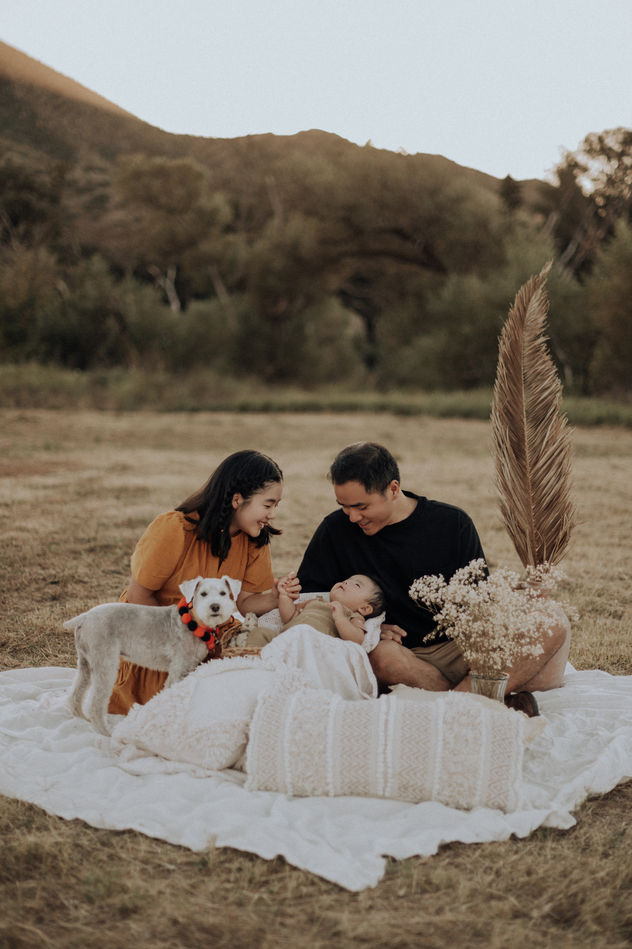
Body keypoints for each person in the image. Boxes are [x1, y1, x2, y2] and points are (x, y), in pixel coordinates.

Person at [297, 442, 571, 711]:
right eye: (344, 506)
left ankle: (456, 704)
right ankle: (480, 702)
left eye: (362, 507)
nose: (353, 517)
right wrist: (368, 629)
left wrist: (516, 599)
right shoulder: (335, 530)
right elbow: (309, 604)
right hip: (399, 657)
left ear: (393, 489)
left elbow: (481, 606)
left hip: (461, 649)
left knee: (550, 618)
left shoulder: (452, 524)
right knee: (381, 658)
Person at [108, 449, 299, 714]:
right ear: (237, 499)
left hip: (212, 635)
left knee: (253, 684)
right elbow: (139, 595)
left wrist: (277, 596)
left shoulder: (254, 539)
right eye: (268, 505)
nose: (273, 514)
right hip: (155, 634)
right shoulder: (175, 529)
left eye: (276, 505)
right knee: (181, 704)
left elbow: (243, 603)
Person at [278, 573, 385, 645]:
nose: (346, 582)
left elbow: (357, 639)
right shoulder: (316, 602)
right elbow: (290, 616)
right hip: (287, 639)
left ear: (364, 608)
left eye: (357, 585)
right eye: (346, 580)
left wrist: (340, 619)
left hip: (314, 645)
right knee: (263, 634)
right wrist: (284, 596)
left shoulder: (353, 616)